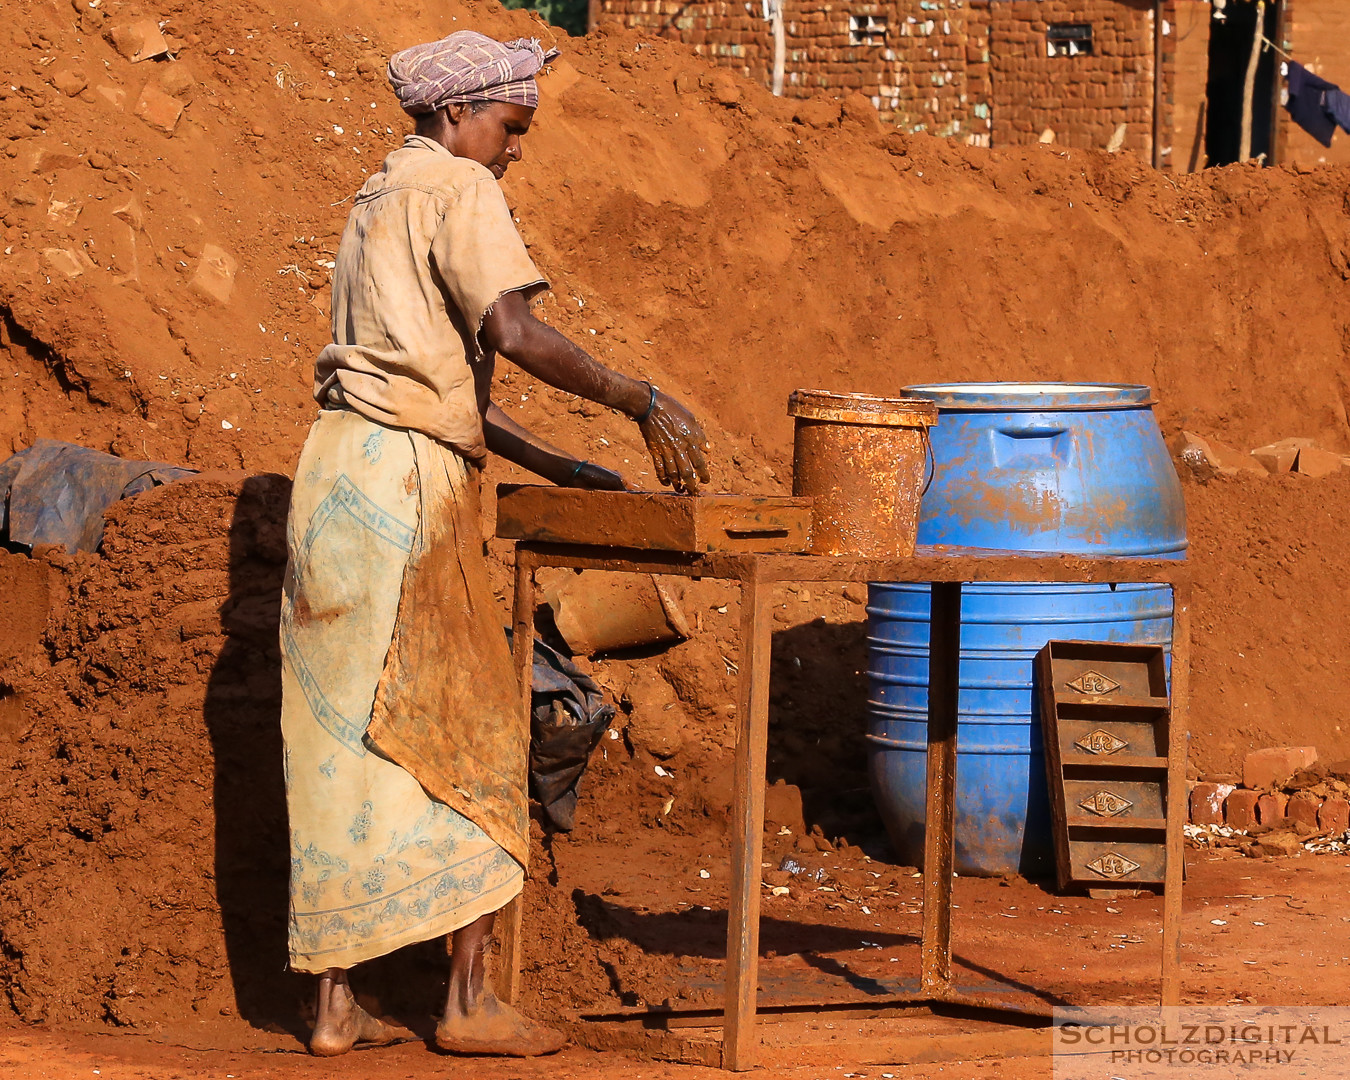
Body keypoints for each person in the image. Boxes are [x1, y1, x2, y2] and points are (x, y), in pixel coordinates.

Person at [278, 30, 710, 1059]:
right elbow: (510, 332)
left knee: (339, 741)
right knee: (475, 732)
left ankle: (334, 1007)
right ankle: (467, 1004)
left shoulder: (377, 196)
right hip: (406, 493)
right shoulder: (461, 190)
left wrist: (560, 465)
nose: (516, 148)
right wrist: (637, 400)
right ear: (457, 114)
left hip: (332, 477)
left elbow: (435, 375)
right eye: (512, 128)